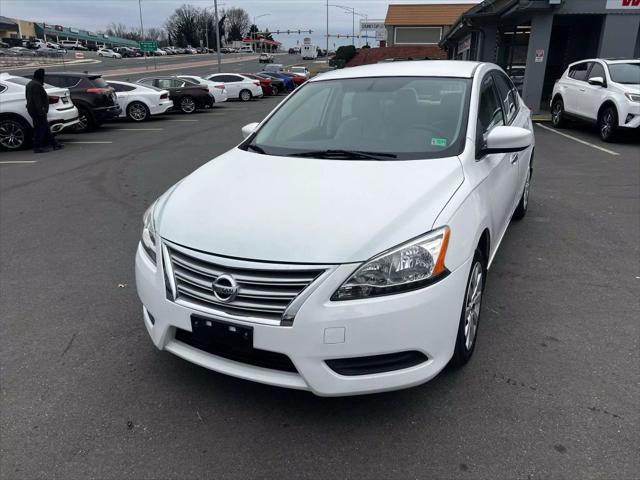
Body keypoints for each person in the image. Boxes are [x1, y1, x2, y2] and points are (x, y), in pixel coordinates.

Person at [25, 68, 63, 153]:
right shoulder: (36, 85)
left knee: (45, 127)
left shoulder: (30, 84)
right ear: (40, 76)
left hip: (33, 109)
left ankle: (55, 144)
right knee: (40, 128)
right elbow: (37, 100)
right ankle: (37, 147)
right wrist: (42, 111)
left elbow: (28, 98)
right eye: (43, 76)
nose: (44, 78)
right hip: (37, 111)